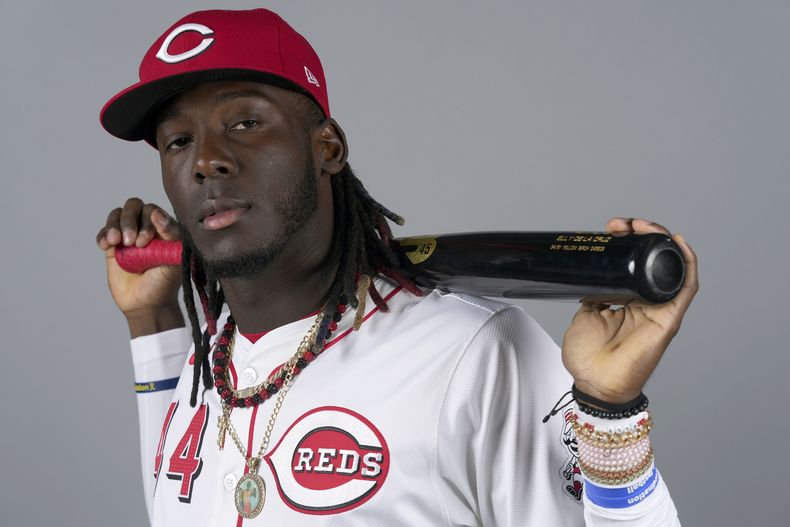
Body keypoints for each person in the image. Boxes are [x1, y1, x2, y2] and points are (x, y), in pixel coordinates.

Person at [96, 8, 698, 526]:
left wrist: (609, 415)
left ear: (327, 147)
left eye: (245, 123)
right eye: (177, 141)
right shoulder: (214, 359)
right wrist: (152, 321)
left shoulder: (472, 351)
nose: (206, 161)